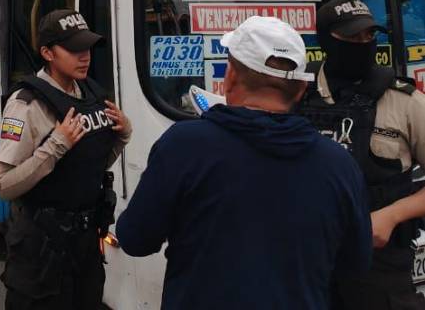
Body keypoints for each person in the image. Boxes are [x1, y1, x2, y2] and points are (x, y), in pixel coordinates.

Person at [116, 16, 372, 310]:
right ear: (301, 90)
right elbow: (356, 263)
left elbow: (134, 239)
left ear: (230, 78)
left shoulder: (184, 146)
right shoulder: (339, 163)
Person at [0, 9, 131, 310]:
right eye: (74, 49)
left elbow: (87, 165)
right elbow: (3, 186)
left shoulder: (91, 93)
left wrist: (122, 136)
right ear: (47, 53)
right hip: (40, 250)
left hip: (84, 247)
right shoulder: (25, 105)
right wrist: (56, 145)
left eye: (88, 48)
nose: (85, 56)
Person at [298, 0, 425, 309]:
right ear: (327, 41)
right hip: (305, 262)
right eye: (352, 37)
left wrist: (391, 215)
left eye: (369, 36)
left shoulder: (404, 101)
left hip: (379, 267)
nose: (364, 43)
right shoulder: (298, 94)